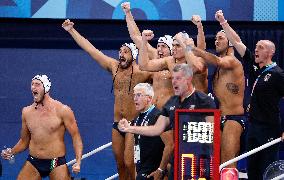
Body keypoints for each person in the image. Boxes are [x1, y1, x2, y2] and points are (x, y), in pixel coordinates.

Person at [62, 20, 152, 179]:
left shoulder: (141, 72)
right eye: (120, 51)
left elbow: (161, 73)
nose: (121, 54)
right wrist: (71, 31)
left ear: (134, 55)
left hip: (133, 123)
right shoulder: (114, 66)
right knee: (120, 163)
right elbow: (91, 50)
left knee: (130, 163)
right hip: (117, 123)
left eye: (126, 52)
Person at [215, 10, 284, 179]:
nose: (256, 49)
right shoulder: (254, 66)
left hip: (269, 129)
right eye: (256, 47)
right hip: (253, 126)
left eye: (260, 47)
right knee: (252, 171)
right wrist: (223, 21)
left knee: (267, 171)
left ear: (270, 52)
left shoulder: (277, 74)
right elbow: (237, 41)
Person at [119, 64, 216, 179]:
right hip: (178, 163)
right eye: (173, 78)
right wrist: (129, 128)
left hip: (199, 162)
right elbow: (156, 129)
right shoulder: (172, 102)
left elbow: (212, 135)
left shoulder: (204, 101)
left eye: (178, 78)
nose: (174, 82)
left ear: (189, 79)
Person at [184, 21, 245, 168]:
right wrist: (199, 28)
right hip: (218, 118)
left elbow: (216, 60)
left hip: (233, 119)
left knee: (228, 163)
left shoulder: (232, 61)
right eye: (216, 39)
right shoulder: (219, 69)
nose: (216, 41)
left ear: (230, 42)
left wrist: (192, 48)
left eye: (221, 38)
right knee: (213, 163)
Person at [1, 74, 83, 180]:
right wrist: (11, 152)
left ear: (46, 87)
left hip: (56, 162)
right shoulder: (26, 112)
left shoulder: (63, 110)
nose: (33, 87)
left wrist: (78, 162)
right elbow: (24, 141)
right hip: (33, 162)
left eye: (37, 84)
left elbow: (76, 137)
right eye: (32, 84)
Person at [121, 1, 174, 110]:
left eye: (163, 46)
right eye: (158, 46)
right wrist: (128, 13)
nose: (159, 49)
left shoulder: (176, 63)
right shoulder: (155, 57)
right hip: (154, 111)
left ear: (171, 49)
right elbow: (136, 36)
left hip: (170, 111)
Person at [121, 83, 172, 180]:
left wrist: (161, 170)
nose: (135, 99)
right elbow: (137, 146)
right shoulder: (137, 119)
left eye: (139, 95)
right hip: (142, 171)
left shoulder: (158, 117)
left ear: (149, 98)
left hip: (154, 173)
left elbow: (170, 145)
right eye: (134, 95)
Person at [138, 26, 208, 94]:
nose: (174, 48)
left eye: (178, 45)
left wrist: (185, 45)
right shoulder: (170, 61)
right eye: (173, 45)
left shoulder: (198, 59)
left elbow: (193, 68)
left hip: (200, 104)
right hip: (183, 103)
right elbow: (144, 66)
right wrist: (144, 41)